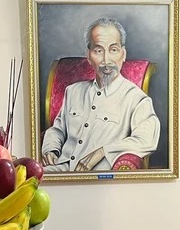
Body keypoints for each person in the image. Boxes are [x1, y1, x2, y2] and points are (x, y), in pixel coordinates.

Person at [41, 17, 160, 172]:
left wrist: (103, 151)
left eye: (113, 50)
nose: (106, 60)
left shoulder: (136, 99)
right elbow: (57, 130)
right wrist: (50, 149)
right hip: (61, 169)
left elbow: (146, 140)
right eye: (98, 51)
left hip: (100, 176)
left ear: (123, 54)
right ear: (88, 56)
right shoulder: (73, 91)